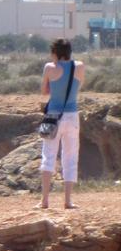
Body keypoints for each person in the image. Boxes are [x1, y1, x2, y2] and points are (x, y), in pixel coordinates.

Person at [37, 38, 84, 210]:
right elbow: (78, 87)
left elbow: (44, 91)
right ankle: (68, 201)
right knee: (71, 156)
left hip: (53, 115)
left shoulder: (50, 68)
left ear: (55, 52)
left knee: (48, 155)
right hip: (72, 115)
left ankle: (44, 201)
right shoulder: (79, 66)